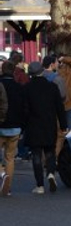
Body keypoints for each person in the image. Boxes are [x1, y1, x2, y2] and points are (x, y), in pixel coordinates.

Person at [23, 61, 66, 195]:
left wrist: (23, 126)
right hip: (49, 124)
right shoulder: (52, 87)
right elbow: (60, 108)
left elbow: (24, 110)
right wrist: (63, 125)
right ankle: (51, 173)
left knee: (36, 155)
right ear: (42, 72)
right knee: (50, 152)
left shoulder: (27, 88)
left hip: (33, 125)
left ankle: (39, 185)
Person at [0, 61, 20, 196]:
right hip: (15, 126)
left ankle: (2, 174)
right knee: (10, 157)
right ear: (14, 71)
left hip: (1, 125)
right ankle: (8, 187)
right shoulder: (19, 87)